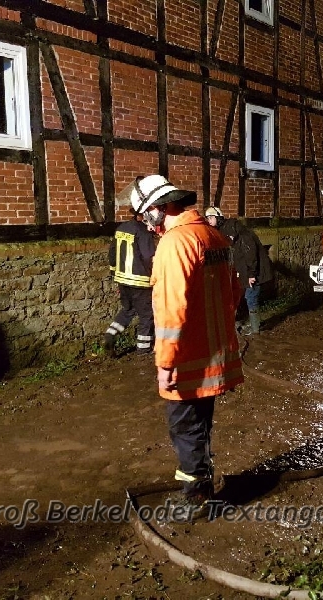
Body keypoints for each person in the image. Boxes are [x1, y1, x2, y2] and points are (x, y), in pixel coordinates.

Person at [120, 175, 243, 519]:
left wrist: (165, 363)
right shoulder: (213, 236)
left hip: (186, 359)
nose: (146, 223)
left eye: (145, 215)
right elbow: (233, 292)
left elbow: (170, 311)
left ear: (159, 209)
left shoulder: (175, 243)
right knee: (201, 425)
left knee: (185, 429)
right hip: (214, 354)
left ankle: (196, 499)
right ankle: (203, 485)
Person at [204, 206, 274, 335]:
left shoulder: (241, 235)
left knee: (251, 297)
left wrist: (251, 274)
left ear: (218, 218)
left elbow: (250, 255)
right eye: (208, 218)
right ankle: (253, 325)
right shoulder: (230, 232)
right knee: (247, 297)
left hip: (254, 272)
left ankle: (255, 329)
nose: (209, 221)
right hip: (247, 271)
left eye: (211, 218)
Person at [104, 206, 157, 356]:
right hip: (140, 281)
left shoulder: (121, 228)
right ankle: (143, 348)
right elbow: (148, 257)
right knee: (147, 315)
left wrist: (114, 273)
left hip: (122, 280)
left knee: (128, 310)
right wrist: (156, 275)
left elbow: (112, 254)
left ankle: (111, 334)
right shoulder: (143, 232)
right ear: (144, 215)